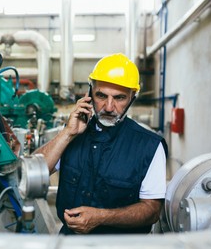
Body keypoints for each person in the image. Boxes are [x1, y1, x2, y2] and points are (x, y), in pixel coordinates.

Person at [33, 53, 168, 235]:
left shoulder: (149, 146)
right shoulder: (72, 134)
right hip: (70, 243)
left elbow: (152, 211)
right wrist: (67, 133)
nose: (109, 107)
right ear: (89, 93)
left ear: (132, 98)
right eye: (101, 95)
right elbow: (34, 172)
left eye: (119, 98)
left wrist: (101, 217)